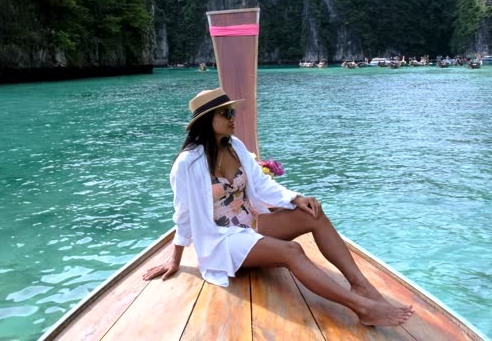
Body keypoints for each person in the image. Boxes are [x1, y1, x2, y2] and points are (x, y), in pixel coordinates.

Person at [142, 88, 414, 326]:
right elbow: (184, 213)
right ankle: (362, 308)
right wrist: (175, 259)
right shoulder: (187, 164)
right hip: (223, 241)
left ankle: (361, 285)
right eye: (225, 114)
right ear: (206, 121)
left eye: (232, 111)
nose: (232, 118)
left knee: (313, 214)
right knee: (292, 251)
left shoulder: (234, 146)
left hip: (251, 225)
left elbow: (260, 184)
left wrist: (296, 198)